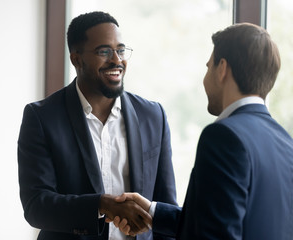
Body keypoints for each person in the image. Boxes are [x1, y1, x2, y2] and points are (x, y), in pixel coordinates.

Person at [113, 22, 293, 239]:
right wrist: (154, 211)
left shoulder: (224, 137)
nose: (205, 78)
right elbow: (222, 218)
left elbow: (214, 235)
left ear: (222, 69)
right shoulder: (285, 142)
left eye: (208, 67)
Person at [17, 11, 177, 240]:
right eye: (104, 51)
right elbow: (37, 206)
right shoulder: (42, 118)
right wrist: (102, 205)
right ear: (76, 59)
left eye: (120, 50)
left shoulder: (153, 115)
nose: (116, 60)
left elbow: (165, 207)